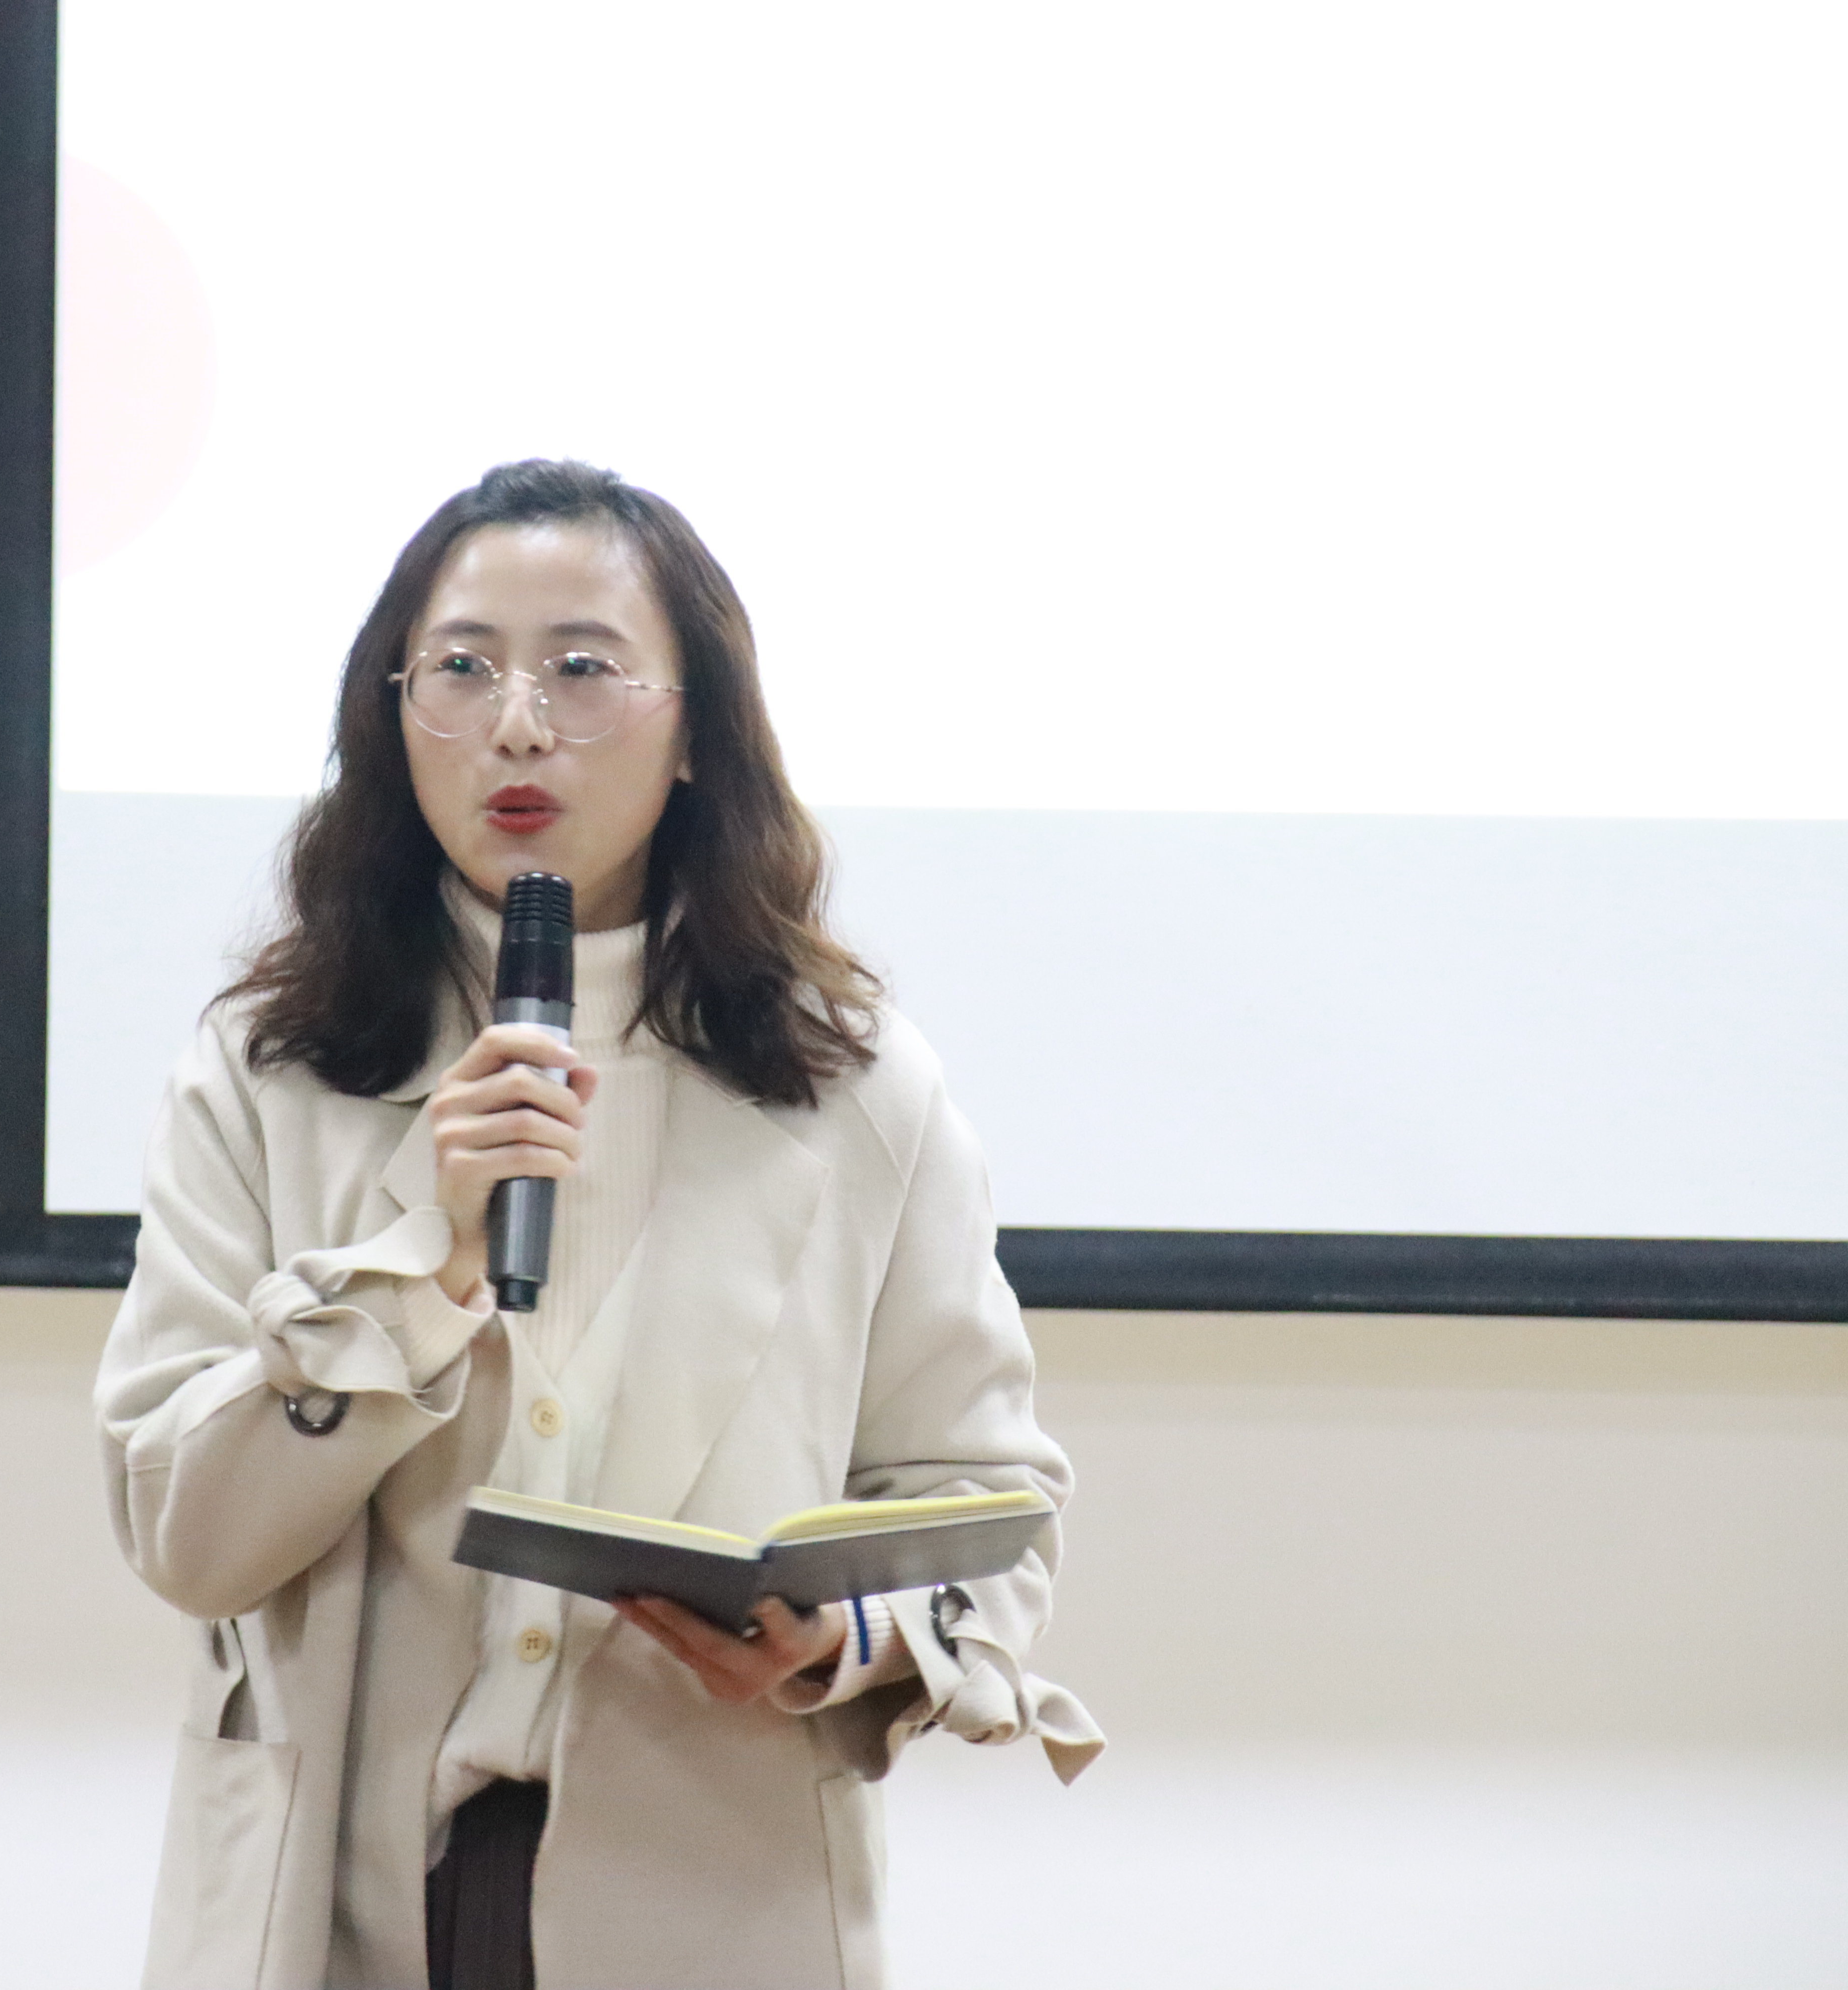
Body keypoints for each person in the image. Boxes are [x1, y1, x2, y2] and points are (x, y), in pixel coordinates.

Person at [95, 459, 1101, 1990]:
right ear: (393, 716)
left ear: (695, 730)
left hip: (711, 1894)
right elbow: (187, 1534)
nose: (516, 723)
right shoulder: (269, 1069)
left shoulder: (856, 1089)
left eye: (581, 668)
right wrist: (423, 1269)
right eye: (460, 668)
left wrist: (844, 1640)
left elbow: (988, 1505)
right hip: (335, 1901)